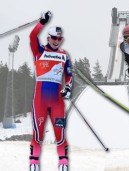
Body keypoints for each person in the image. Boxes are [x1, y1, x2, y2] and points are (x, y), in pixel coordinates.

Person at [29, 11, 72, 171]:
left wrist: (68, 88)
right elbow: (32, 37)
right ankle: (33, 162)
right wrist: (41, 22)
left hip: (57, 102)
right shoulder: (39, 51)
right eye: (54, 38)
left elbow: (68, 76)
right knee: (38, 135)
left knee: (60, 135)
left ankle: (63, 163)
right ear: (48, 38)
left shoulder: (64, 55)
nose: (56, 41)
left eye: (59, 38)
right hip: (40, 100)